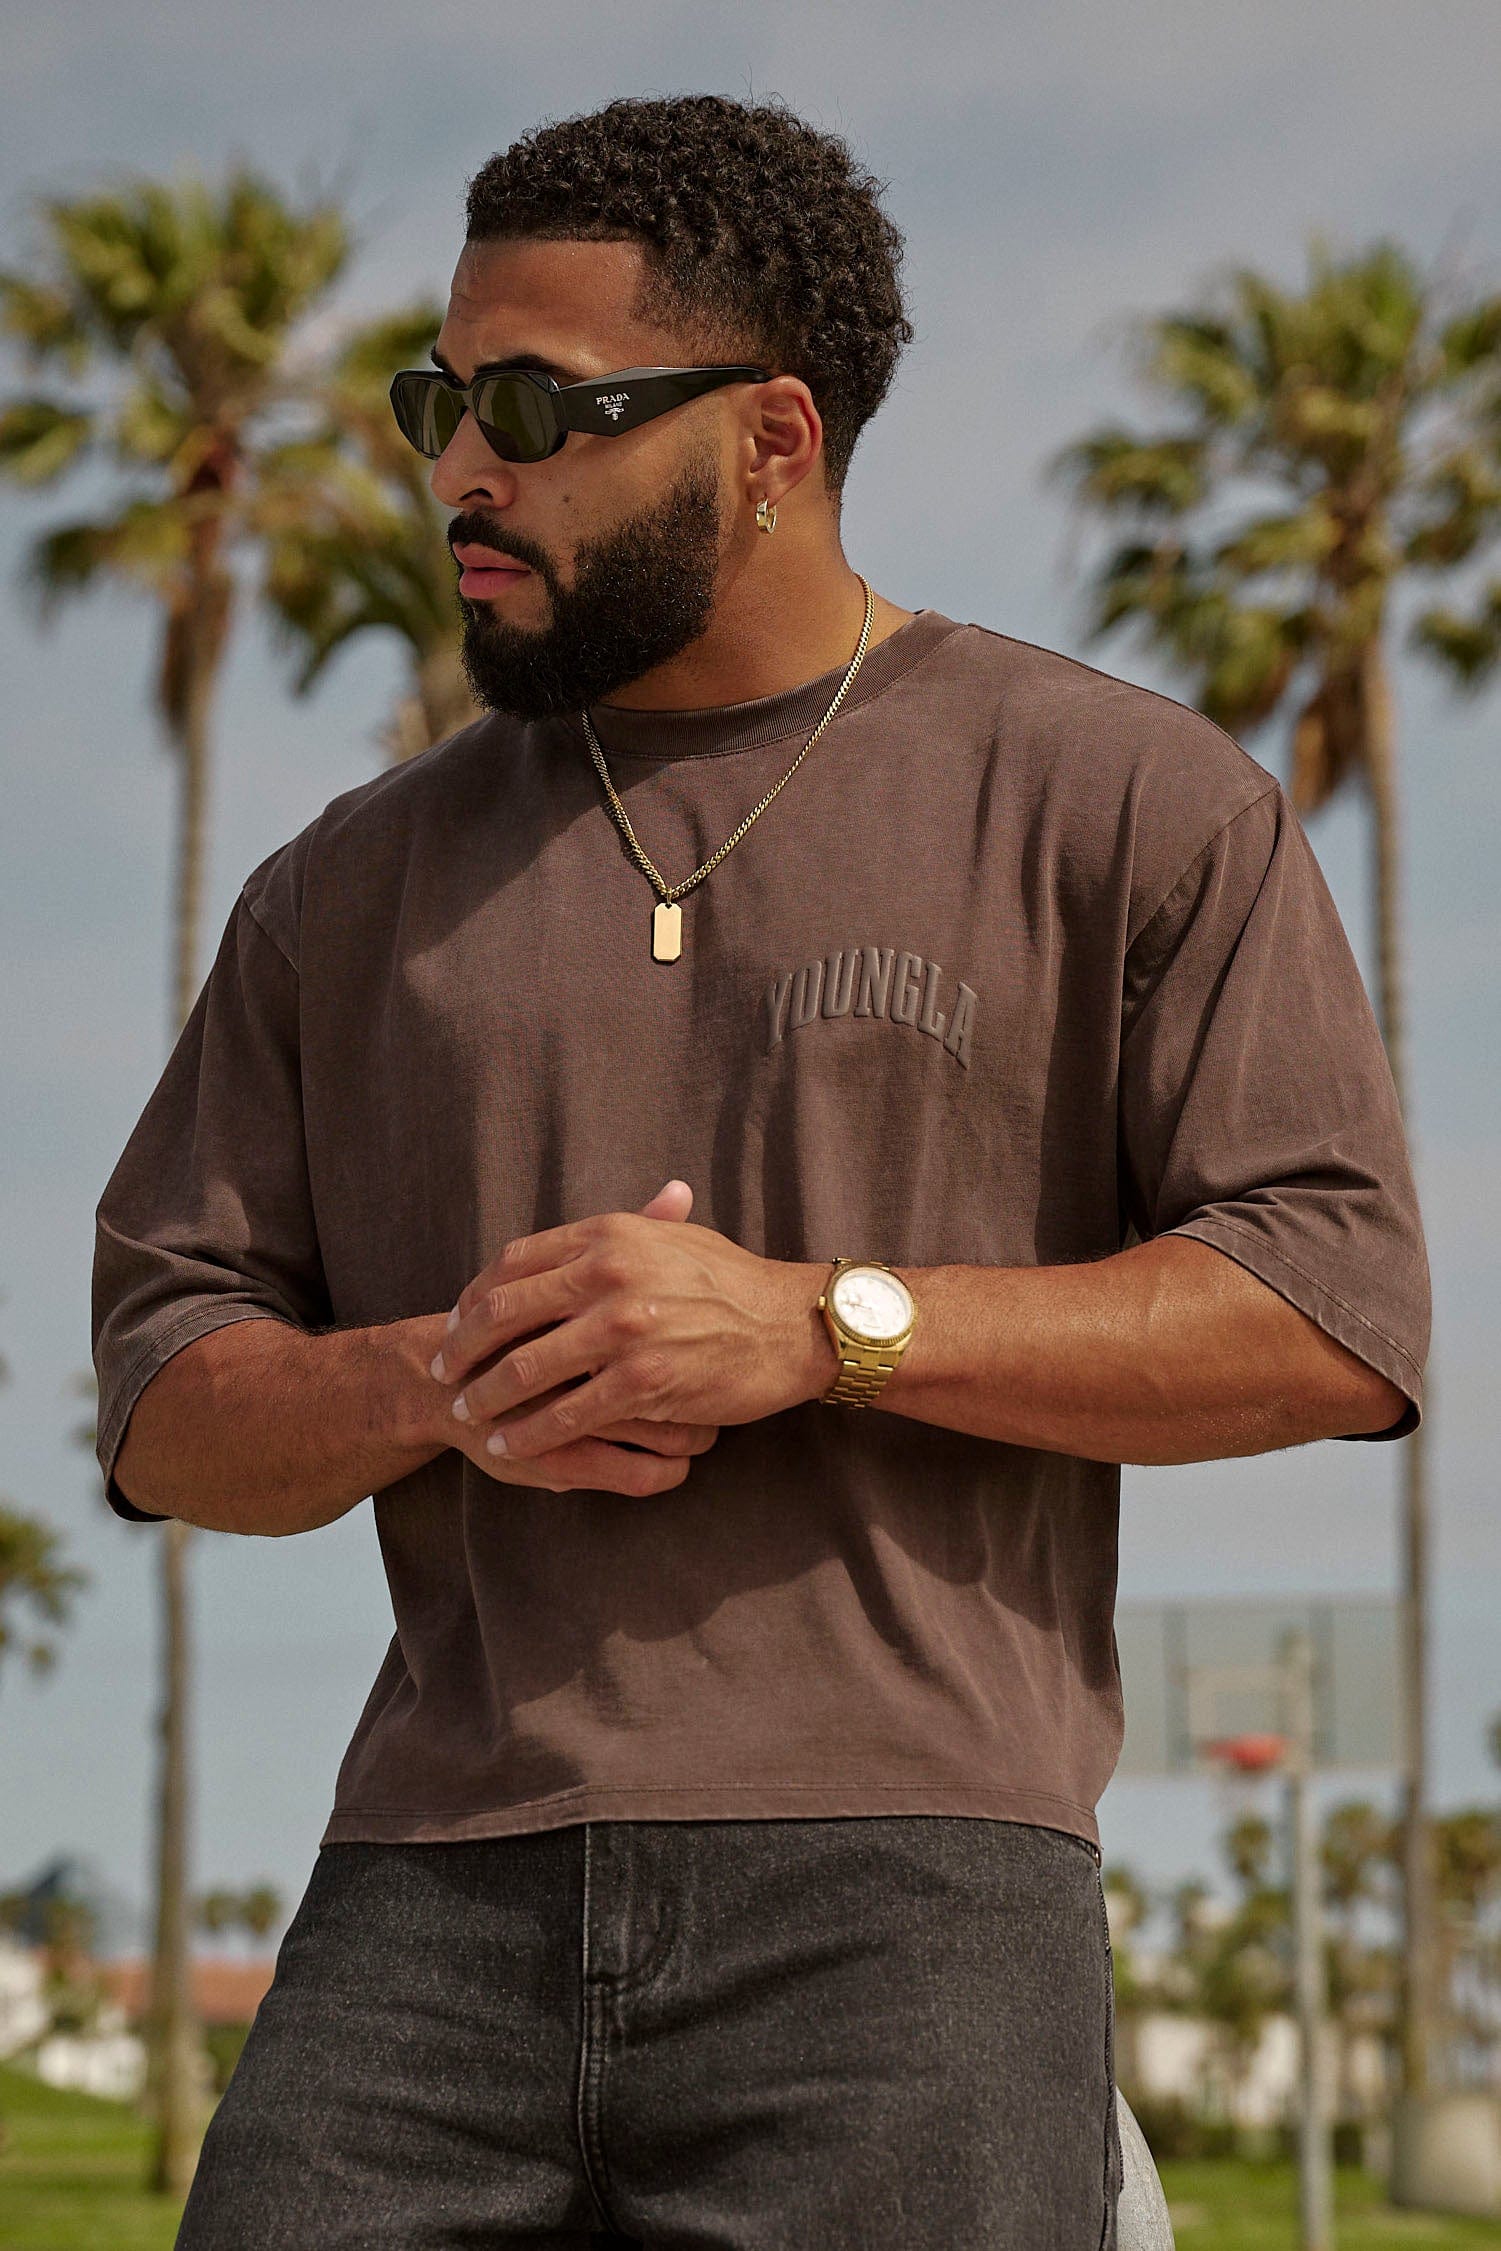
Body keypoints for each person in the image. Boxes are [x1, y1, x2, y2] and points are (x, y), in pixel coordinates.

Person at [91, 92, 1429, 2250]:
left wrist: (822, 1327)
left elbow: (1326, 1315)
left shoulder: (1120, 800)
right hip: (423, 1892)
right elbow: (165, 1404)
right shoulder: (340, 893)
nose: (459, 470)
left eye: (536, 408)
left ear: (772, 440)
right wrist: (452, 1376)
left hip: (913, 1893)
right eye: (441, 400)